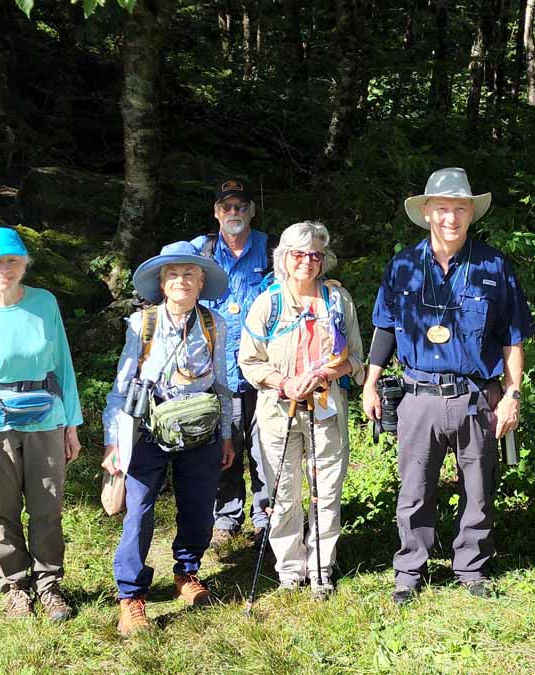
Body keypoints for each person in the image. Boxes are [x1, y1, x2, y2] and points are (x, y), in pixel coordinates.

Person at [362, 167, 535, 605]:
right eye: (442, 208)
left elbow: (513, 337)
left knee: (478, 489)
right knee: (414, 490)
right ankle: (410, 570)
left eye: (459, 209)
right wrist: (370, 383)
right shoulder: (403, 265)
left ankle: (471, 567)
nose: (450, 218)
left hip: (475, 397)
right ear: (426, 212)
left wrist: (512, 395)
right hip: (417, 396)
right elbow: (385, 327)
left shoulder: (493, 266)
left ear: (471, 213)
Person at [0, 227, 84, 621]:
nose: (4, 269)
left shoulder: (44, 303)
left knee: (48, 508)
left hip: (47, 421)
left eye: (12, 260)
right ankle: (15, 587)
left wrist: (71, 425)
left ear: (24, 264)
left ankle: (50, 585)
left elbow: (63, 366)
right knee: (1, 511)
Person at [102, 241, 235, 637]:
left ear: (201, 282)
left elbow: (222, 385)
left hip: (200, 428)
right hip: (148, 428)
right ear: (161, 283)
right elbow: (121, 387)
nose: (181, 281)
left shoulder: (214, 324)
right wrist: (113, 442)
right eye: (173, 274)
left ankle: (187, 573)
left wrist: (226, 435)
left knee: (198, 507)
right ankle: (131, 596)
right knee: (139, 510)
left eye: (189, 274)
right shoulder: (141, 324)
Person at [238, 222, 364, 599]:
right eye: (298, 254)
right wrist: (284, 382)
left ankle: (321, 567)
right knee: (283, 491)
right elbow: (249, 361)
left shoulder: (338, 301)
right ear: (283, 257)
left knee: (326, 490)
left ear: (324, 259)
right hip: (279, 411)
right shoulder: (268, 303)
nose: (307, 261)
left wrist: (330, 372)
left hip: (326, 409)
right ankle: (290, 569)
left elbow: (357, 358)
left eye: (315, 255)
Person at [191, 178, 271, 550]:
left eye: (241, 206)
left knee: (266, 447)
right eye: (227, 207)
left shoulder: (272, 249)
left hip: (265, 370)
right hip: (217, 370)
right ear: (216, 212)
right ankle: (226, 516)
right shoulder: (200, 252)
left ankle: (266, 516)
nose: (234, 212)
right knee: (225, 445)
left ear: (252, 210)